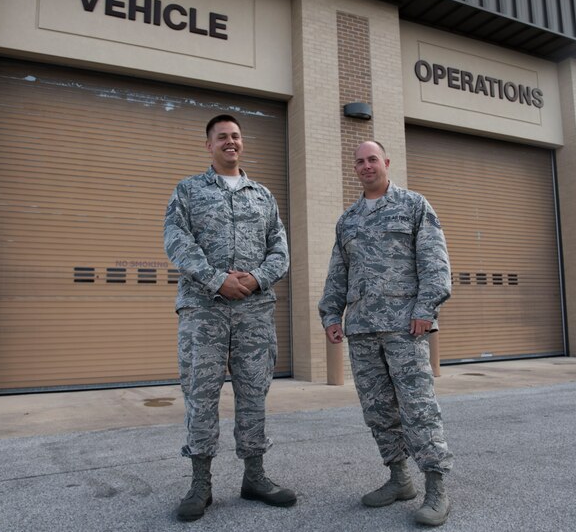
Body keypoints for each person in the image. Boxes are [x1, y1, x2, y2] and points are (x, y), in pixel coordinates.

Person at [163, 114, 296, 522]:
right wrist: (216, 279)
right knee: (201, 395)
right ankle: (200, 484)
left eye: (236, 136)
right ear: (209, 145)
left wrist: (256, 279)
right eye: (222, 137)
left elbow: (281, 249)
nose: (230, 142)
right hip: (204, 311)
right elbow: (176, 241)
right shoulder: (188, 191)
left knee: (254, 394)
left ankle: (254, 476)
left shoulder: (263, 195)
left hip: (254, 312)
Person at [318, 140, 454, 527]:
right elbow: (337, 272)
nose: (365, 166)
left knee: (418, 407)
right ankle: (398, 479)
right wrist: (330, 314)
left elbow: (435, 262)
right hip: (362, 329)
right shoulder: (348, 220)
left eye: (372, 159)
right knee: (377, 409)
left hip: (404, 326)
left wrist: (426, 309)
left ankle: (436, 487)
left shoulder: (413, 206)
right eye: (359, 162)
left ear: (386, 162)